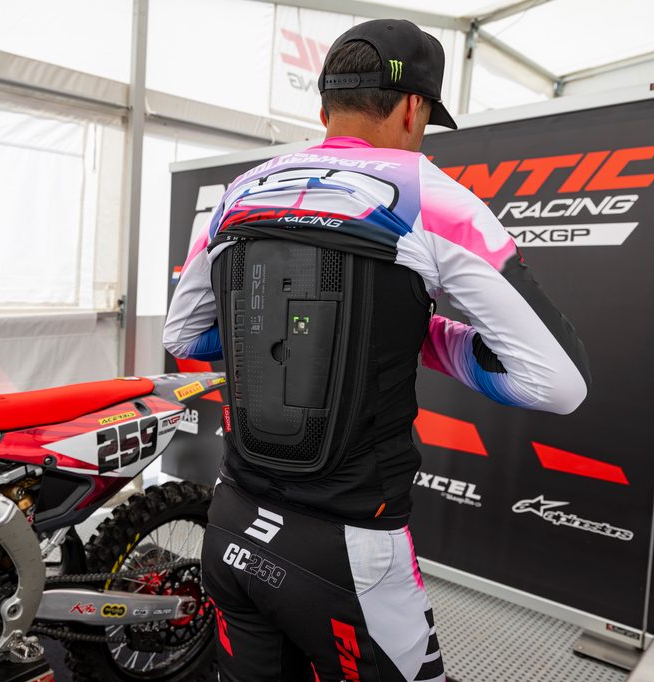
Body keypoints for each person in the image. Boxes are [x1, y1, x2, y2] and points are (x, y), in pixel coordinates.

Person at [163, 18, 589, 682]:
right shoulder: (430, 195)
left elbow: (184, 336)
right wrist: (430, 339)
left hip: (233, 522)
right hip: (349, 551)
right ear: (414, 108)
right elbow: (556, 382)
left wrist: (288, 341)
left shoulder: (242, 191)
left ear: (324, 108)